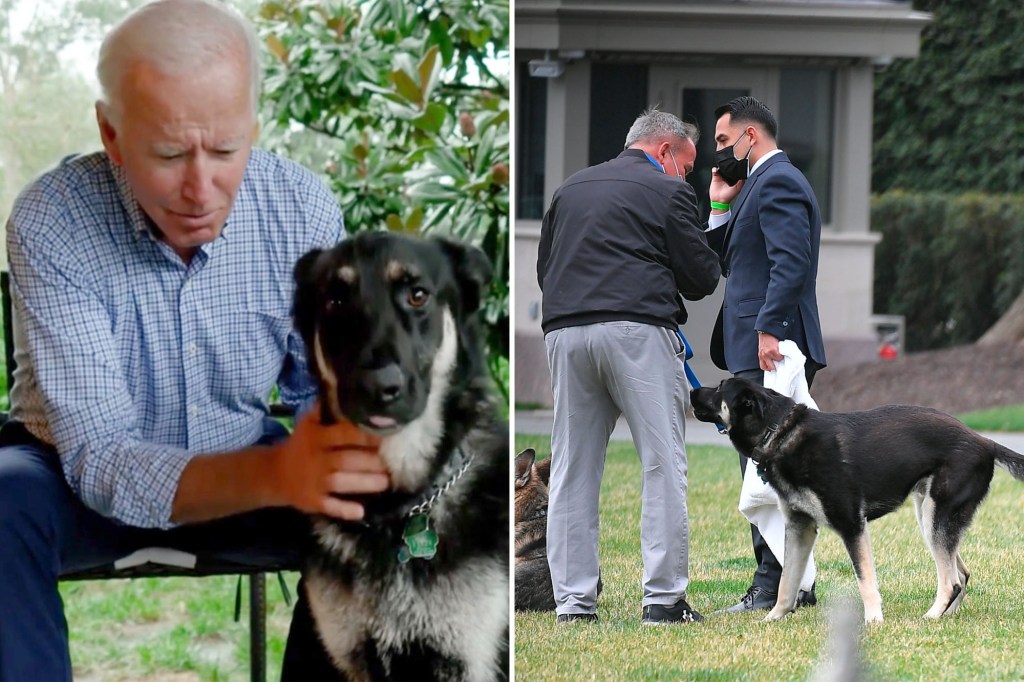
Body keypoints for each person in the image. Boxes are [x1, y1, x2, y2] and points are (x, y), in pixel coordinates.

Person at [0, 1, 390, 679]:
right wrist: (279, 472)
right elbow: (101, 457)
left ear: (253, 128)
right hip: (66, 480)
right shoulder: (51, 219)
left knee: (384, 512)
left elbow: (321, 390)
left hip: (244, 463)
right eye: (170, 153)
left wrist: (347, 444)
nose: (201, 189)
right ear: (112, 134)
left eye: (226, 150)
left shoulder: (302, 207)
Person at [537, 109, 721, 625]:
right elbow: (702, 277)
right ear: (665, 151)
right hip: (638, 331)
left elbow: (544, 268)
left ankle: (573, 605)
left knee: (572, 468)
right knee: (662, 463)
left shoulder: (569, 189)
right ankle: (662, 600)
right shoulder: (669, 192)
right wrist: (717, 219)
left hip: (566, 332)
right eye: (685, 164)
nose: (686, 175)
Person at [704, 95, 827, 613]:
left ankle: (772, 585)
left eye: (723, 141)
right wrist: (718, 205)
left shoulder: (777, 180)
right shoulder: (756, 183)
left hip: (770, 348)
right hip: (757, 343)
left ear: (750, 136)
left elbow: (790, 261)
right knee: (771, 465)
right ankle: (795, 584)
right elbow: (733, 259)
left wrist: (769, 329)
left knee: (769, 468)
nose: (719, 152)